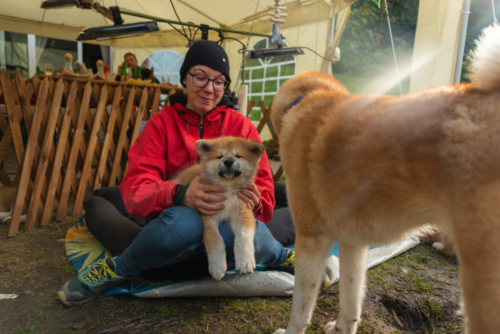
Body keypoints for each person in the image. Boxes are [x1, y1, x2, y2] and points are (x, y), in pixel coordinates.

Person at [58, 40, 296, 307]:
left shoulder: (241, 125)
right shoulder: (162, 123)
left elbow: (263, 187)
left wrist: (257, 198)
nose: (210, 88)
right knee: (185, 224)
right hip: (174, 231)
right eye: (200, 77)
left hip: (228, 224)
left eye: (219, 81)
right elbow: (136, 188)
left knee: (247, 229)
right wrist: (180, 193)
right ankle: (118, 268)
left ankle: (280, 255)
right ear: (184, 77)